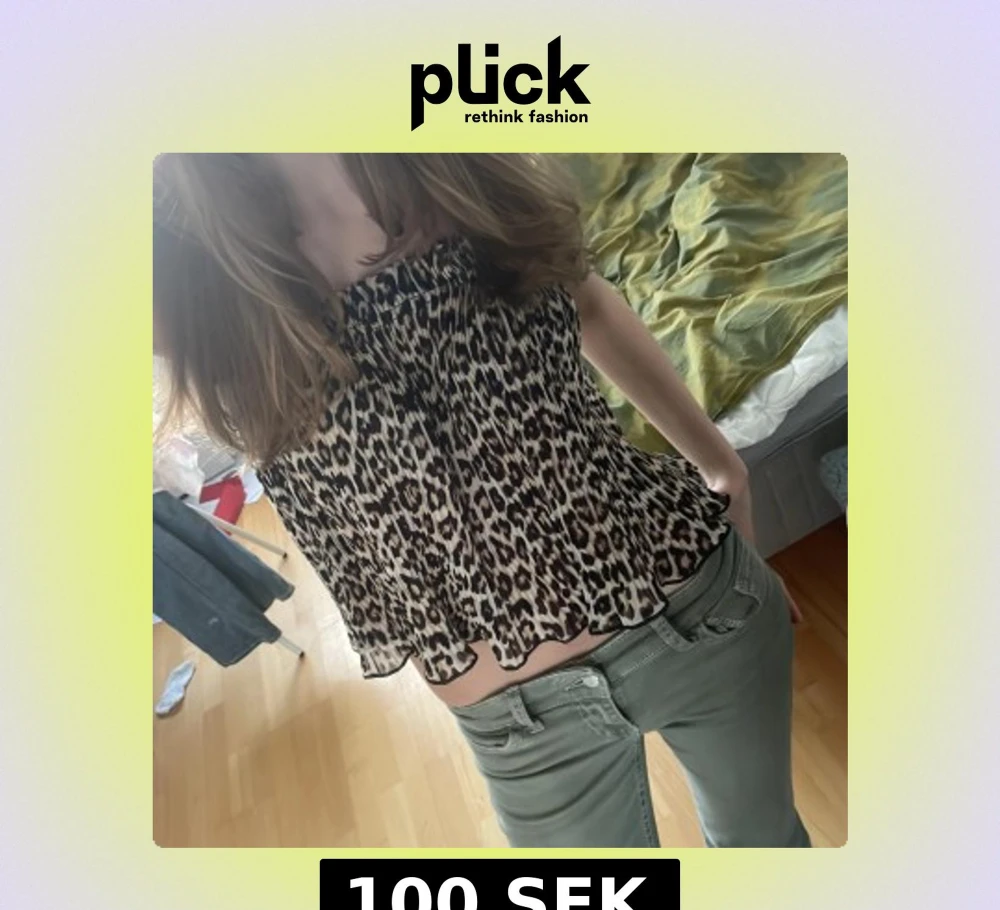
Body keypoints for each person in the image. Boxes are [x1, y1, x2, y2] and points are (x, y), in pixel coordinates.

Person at [153, 153, 810, 848]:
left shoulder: (459, 165)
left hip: (703, 613)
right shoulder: (186, 274)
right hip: (519, 729)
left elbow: (586, 301)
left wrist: (724, 466)